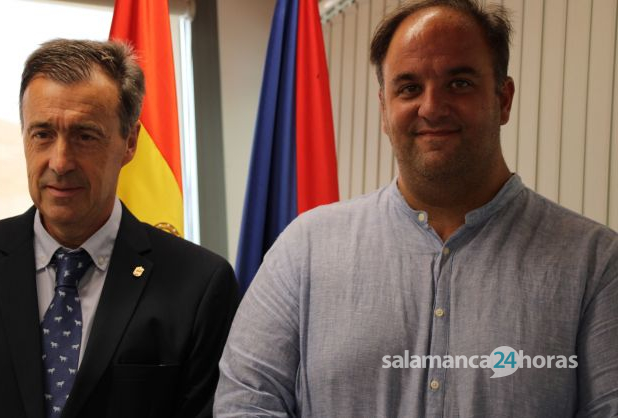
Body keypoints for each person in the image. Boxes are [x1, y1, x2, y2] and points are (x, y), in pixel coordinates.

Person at [214, 0, 618, 416]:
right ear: (384, 109)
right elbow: (246, 400)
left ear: (504, 99)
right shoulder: (305, 249)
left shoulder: (595, 263)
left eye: (459, 83)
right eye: (408, 88)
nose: (431, 107)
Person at [0, 39, 239, 418]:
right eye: (42, 134)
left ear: (130, 143)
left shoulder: (199, 285)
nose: (60, 161)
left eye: (85, 136)